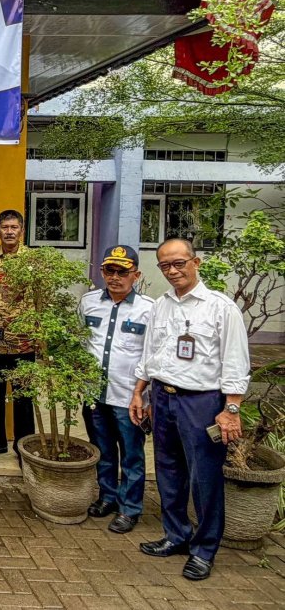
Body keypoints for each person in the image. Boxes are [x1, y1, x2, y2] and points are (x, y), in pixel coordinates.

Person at [130, 238, 250, 581]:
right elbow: (149, 353)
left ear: (195, 262)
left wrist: (231, 409)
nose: (172, 271)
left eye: (179, 263)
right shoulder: (161, 306)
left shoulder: (220, 307)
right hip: (163, 397)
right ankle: (176, 535)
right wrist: (140, 392)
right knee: (168, 471)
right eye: (165, 265)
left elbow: (236, 362)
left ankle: (204, 549)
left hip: (202, 402)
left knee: (204, 479)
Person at [78, 245, 154, 534]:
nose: (115, 277)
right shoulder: (88, 302)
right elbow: (82, 343)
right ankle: (107, 496)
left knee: (132, 455)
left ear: (136, 275)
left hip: (129, 397)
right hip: (94, 394)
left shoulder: (149, 309)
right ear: (102, 272)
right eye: (110, 270)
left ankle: (130, 508)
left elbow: (151, 355)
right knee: (104, 450)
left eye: (123, 271)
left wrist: (144, 395)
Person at [0, 210, 37, 460]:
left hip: (23, 340)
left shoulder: (35, 260)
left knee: (23, 397)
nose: (9, 231)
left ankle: (24, 448)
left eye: (14, 227)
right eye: (4, 227)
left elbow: (42, 300)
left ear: (22, 230)